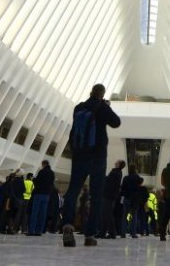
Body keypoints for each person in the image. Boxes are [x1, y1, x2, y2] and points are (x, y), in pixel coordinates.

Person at [60, 83, 121, 247]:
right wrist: (106, 106)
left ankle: (67, 226)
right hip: (98, 157)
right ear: (102, 94)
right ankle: (90, 235)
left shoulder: (78, 108)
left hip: (79, 155)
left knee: (73, 190)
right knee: (96, 196)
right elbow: (116, 122)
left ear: (90, 92)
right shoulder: (102, 107)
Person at [100, 159, 125, 239]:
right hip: (110, 196)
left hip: (109, 196)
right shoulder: (117, 172)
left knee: (108, 214)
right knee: (106, 214)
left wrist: (104, 177)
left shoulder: (116, 172)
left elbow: (110, 183)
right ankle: (103, 232)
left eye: (117, 162)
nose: (115, 162)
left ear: (119, 165)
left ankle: (112, 233)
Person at [29, 161, 54, 236]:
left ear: (44, 164)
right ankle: (39, 231)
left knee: (35, 212)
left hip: (39, 193)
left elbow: (38, 181)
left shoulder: (42, 171)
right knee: (43, 213)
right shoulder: (52, 173)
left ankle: (31, 230)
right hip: (47, 195)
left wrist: (33, 179)